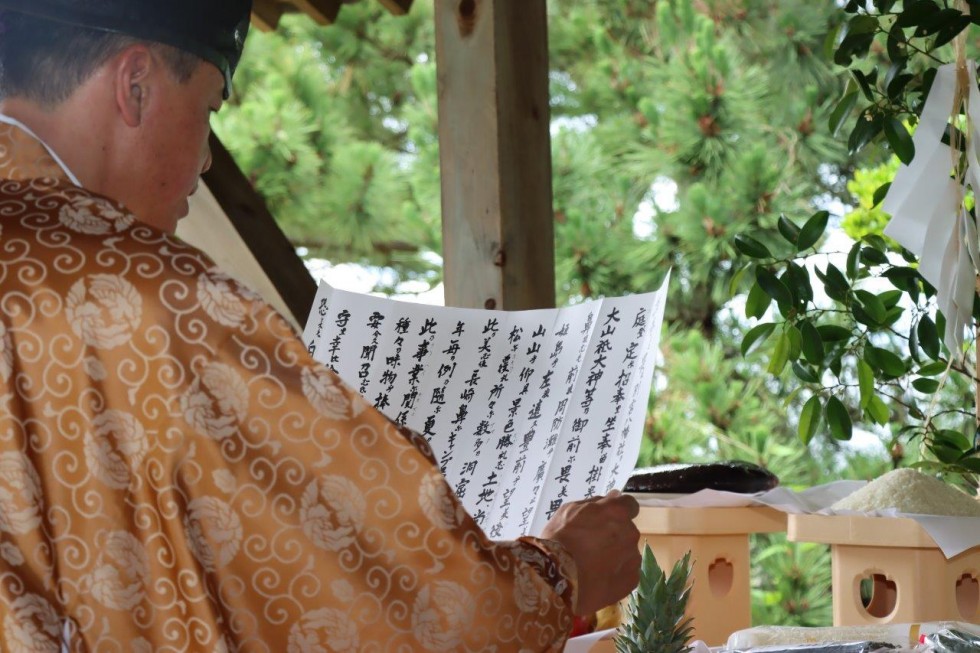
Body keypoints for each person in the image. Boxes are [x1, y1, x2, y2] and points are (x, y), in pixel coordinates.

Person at [0, 1, 642, 650]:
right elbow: (418, 608)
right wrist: (566, 568)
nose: (203, 162)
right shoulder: (146, 304)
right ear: (135, 84)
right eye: (210, 109)